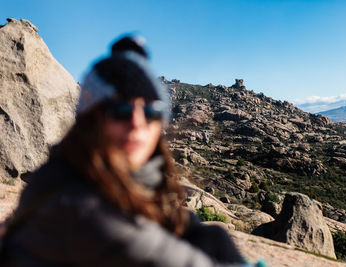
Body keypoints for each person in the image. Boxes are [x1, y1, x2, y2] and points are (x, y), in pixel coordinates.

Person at [1, 35, 265, 266]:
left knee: (210, 236)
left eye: (150, 112)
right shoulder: (81, 207)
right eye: (121, 110)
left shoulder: (70, 171)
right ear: (91, 120)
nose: (138, 123)